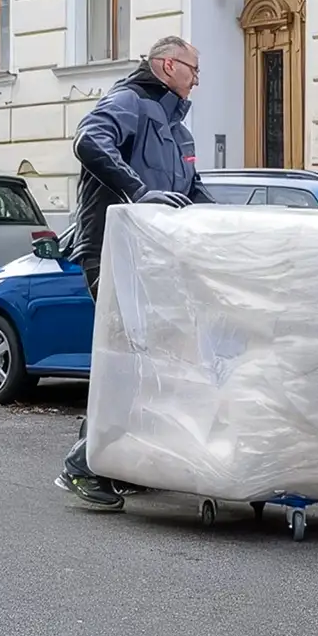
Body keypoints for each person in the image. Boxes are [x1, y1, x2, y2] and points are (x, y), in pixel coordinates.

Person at [54, 35, 214, 511]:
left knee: (150, 359)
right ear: (166, 65)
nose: (198, 79)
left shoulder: (178, 130)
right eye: (192, 68)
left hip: (151, 260)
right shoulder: (131, 101)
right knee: (128, 360)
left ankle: (117, 461)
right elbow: (88, 141)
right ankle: (83, 465)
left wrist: (232, 227)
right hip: (111, 250)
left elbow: (192, 192)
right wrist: (138, 193)